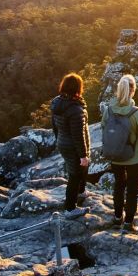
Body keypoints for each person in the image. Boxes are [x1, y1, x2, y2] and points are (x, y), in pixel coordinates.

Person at [100, 73, 138, 233]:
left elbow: (104, 128)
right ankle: (128, 223)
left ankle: (117, 218)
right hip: (134, 158)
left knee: (118, 185)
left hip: (115, 156)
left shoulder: (109, 110)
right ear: (133, 91)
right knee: (132, 189)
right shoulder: (137, 113)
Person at [51, 72, 89, 219]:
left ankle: (80, 193)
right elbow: (78, 136)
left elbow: (54, 125)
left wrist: (59, 139)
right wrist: (83, 155)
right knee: (75, 174)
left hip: (63, 142)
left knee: (77, 171)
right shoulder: (75, 110)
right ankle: (70, 208)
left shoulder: (57, 102)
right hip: (73, 146)